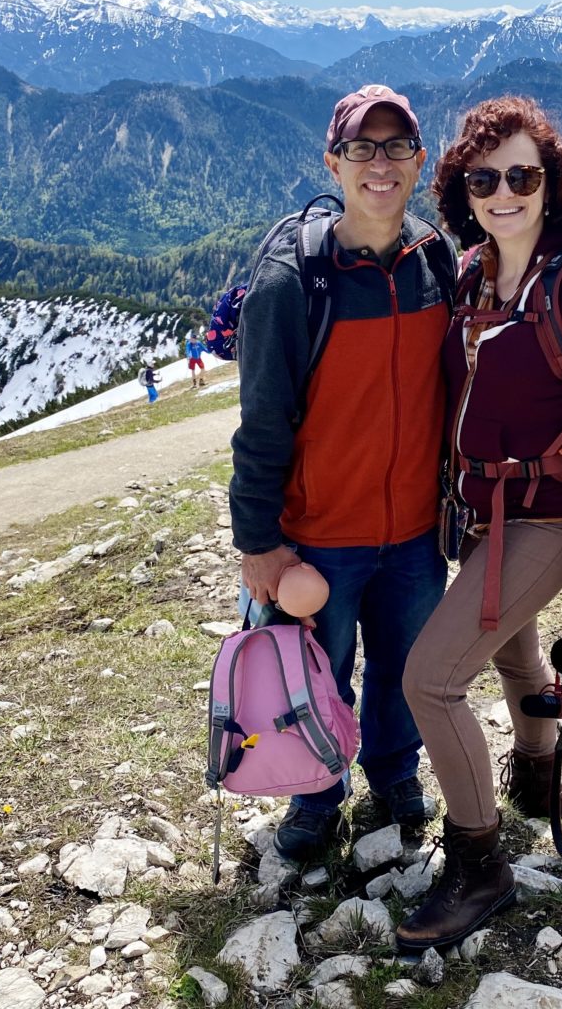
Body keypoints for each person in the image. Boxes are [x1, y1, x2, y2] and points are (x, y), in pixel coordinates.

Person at [397, 96, 562, 950]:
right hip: (484, 512)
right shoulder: (474, 272)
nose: (503, 192)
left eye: (522, 176)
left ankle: (478, 865)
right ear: (462, 189)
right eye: (483, 178)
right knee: (513, 651)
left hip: (552, 517)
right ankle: (538, 782)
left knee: (429, 681)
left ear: (551, 182)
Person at [229, 83, 457, 860]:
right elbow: (260, 421)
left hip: (416, 534)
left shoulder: (436, 260)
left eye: (397, 147)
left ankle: (394, 775)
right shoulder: (295, 277)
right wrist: (258, 542)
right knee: (313, 676)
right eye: (362, 148)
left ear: (419, 161)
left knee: (403, 671)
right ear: (334, 160)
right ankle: (316, 794)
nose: (380, 164)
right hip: (319, 537)